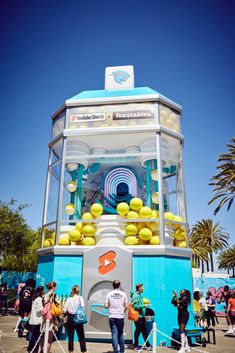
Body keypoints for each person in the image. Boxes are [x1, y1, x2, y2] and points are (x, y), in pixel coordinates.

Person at [104, 280, 128, 353]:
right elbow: (126, 306)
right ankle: (122, 351)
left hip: (112, 316)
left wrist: (110, 308)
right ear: (119, 285)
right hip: (120, 316)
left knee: (114, 333)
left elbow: (106, 306)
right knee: (120, 333)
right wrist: (122, 311)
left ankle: (115, 351)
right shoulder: (123, 294)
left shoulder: (109, 294)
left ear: (113, 285)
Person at [63, 285, 87, 353]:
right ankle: (83, 351)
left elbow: (65, 310)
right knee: (81, 336)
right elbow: (83, 308)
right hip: (78, 318)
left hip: (70, 318)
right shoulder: (80, 298)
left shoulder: (68, 299)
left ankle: (71, 351)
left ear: (73, 291)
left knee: (70, 336)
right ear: (78, 291)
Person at [38, 281, 59, 353]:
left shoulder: (45, 295)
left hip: (45, 317)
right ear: (53, 287)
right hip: (51, 318)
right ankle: (47, 351)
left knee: (43, 336)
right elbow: (58, 305)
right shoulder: (54, 295)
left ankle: (40, 350)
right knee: (50, 338)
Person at [130, 283, 152, 351]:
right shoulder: (136, 296)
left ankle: (147, 345)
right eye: (142, 287)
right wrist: (144, 306)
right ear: (139, 288)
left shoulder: (139, 295)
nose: (143, 288)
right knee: (139, 331)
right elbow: (134, 306)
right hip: (138, 317)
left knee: (143, 331)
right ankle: (136, 346)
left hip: (141, 316)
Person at [172, 289, 191, 353]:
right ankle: (187, 346)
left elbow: (178, 302)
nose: (180, 292)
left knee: (182, 330)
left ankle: (182, 347)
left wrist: (176, 295)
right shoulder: (180, 298)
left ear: (184, 293)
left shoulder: (186, 298)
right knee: (182, 330)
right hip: (179, 314)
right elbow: (173, 302)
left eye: (181, 291)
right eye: (180, 291)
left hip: (184, 315)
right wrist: (174, 296)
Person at [27, 286, 44, 353]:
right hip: (37, 320)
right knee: (36, 336)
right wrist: (44, 308)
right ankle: (34, 349)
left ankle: (31, 348)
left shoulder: (34, 298)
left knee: (34, 335)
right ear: (41, 291)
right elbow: (38, 310)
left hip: (34, 320)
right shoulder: (39, 299)